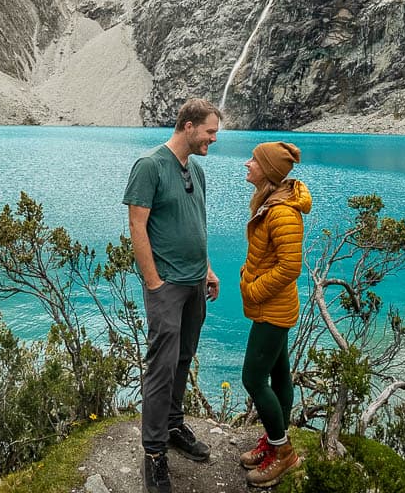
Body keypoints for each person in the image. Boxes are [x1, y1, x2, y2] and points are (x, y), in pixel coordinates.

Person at [123, 98, 222, 493]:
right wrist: (153, 283)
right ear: (188, 126)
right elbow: (137, 225)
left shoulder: (196, 170)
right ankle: (153, 452)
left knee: (183, 357)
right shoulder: (149, 166)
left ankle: (174, 423)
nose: (213, 139)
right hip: (167, 287)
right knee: (161, 367)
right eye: (210, 132)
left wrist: (208, 269)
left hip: (196, 282)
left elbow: (196, 224)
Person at [238, 141, 309, 487]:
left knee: (253, 378)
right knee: (280, 373)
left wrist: (252, 289)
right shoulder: (273, 203)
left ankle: (284, 455)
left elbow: (290, 267)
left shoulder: (281, 212)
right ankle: (274, 439)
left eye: (254, 160)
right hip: (276, 307)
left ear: (268, 170)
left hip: (272, 309)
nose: (247, 164)